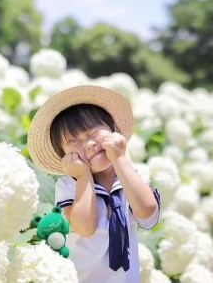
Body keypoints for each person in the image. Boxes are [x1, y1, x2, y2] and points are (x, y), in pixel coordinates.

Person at [27, 85, 160, 283]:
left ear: (115, 131)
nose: (89, 144)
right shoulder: (68, 185)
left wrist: (120, 159)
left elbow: (148, 213)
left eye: (93, 132)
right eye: (74, 143)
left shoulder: (131, 176)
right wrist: (83, 177)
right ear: (65, 157)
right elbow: (84, 227)